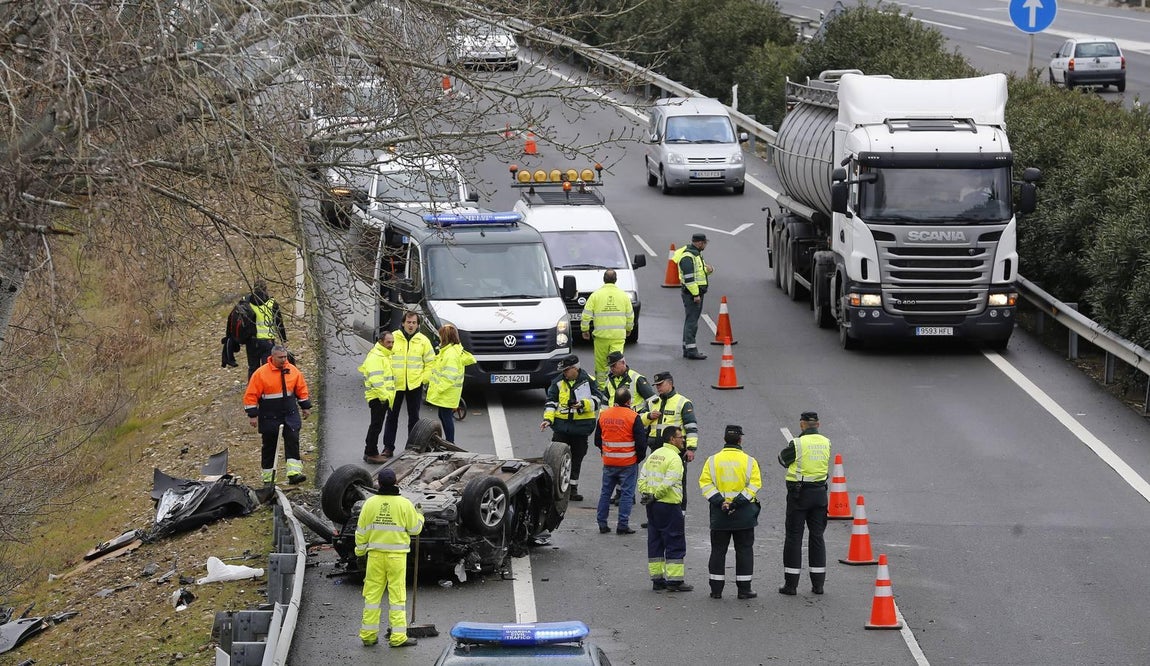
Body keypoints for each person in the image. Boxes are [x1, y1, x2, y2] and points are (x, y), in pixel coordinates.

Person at [355, 468, 424, 648]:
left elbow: (361, 532)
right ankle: (398, 637)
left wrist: (360, 553)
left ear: (379, 484)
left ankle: (368, 636)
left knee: (372, 596)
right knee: (397, 597)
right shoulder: (404, 504)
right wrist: (420, 516)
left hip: (375, 557)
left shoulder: (369, 504)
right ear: (395, 483)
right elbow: (415, 529)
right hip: (397, 558)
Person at [699, 425, 762, 600]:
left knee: (718, 550)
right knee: (744, 550)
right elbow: (754, 485)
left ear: (724, 439)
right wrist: (737, 503)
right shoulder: (750, 461)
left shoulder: (712, 461)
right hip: (743, 514)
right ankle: (744, 589)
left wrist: (722, 502)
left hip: (720, 514)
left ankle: (716, 590)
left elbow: (705, 484)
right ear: (740, 439)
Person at [778, 411, 831, 596]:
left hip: (799, 495)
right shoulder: (826, 442)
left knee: (794, 537)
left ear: (802, 424)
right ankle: (818, 585)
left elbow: (783, 459)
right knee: (817, 537)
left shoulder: (797, 443)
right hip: (820, 495)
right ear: (818, 424)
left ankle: (791, 585)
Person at [243, 344, 312, 485]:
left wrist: (305, 407)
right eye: (280, 357)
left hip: (290, 413)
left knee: (292, 440)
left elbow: (301, 390)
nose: (283, 360)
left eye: (285, 357)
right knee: (270, 446)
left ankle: (294, 473)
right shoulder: (260, 374)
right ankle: (269, 479)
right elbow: (251, 395)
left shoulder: (293, 371)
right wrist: (252, 415)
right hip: (269, 415)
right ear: (272, 357)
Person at [540, 354, 604, 502]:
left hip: (581, 430)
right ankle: (554, 488)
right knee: (556, 458)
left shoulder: (589, 381)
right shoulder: (558, 382)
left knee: (576, 459)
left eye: (566, 370)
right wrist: (547, 420)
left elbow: (598, 400)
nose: (564, 373)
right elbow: (551, 403)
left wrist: (583, 404)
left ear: (575, 369)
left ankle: (572, 489)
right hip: (561, 428)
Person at [638, 425, 692, 592]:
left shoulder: (654, 455)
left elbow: (642, 478)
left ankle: (657, 579)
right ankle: (675, 581)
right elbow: (669, 481)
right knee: (674, 540)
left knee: (655, 541)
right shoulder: (675, 458)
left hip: (652, 506)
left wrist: (647, 494)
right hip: (668, 505)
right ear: (671, 439)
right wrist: (657, 495)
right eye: (680, 437)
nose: (683, 439)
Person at [594, 387, 648, 535]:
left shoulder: (604, 415)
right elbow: (641, 443)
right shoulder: (633, 416)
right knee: (626, 494)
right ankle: (622, 525)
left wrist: (606, 452)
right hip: (628, 463)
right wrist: (638, 458)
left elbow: (597, 440)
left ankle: (602, 524)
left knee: (605, 493)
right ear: (628, 401)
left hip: (609, 461)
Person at [382, 311, 435, 457]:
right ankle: (388, 448)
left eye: (414, 323)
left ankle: (412, 448)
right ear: (403, 323)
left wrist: (423, 379)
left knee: (414, 418)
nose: (411, 325)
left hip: (414, 385)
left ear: (418, 325)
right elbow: (383, 357)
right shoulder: (393, 337)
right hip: (395, 385)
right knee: (392, 417)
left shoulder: (423, 340)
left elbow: (431, 362)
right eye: (408, 322)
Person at [580, 269, 634, 388]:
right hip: (618, 337)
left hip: (601, 337)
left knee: (601, 366)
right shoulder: (623, 295)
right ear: (616, 280)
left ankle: (601, 388)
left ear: (604, 279)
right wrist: (629, 328)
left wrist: (585, 329)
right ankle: (618, 387)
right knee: (617, 362)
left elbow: (586, 314)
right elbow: (630, 315)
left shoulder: (596, 295)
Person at [425, 323, 475, 443]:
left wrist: (439, 389)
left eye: (441, 336)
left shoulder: (450, 354)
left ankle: (450, 442)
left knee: (446, 417)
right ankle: (448, 441)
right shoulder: (450, 351)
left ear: (446, 337)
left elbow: (449, 376)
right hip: (448, 392)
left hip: (446, 392)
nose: (439, 338)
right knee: (443, 416)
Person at [672, 233, 714, 360]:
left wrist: (709, 270)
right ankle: (691, 350)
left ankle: (687, 347)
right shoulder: (688, 257)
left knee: (690, 320)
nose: (705, 245)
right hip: (692, 294)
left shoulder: (696, 254)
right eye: (705, 243)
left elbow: (699, 272)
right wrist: (696, 294)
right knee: (692, 322)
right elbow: (689, 279)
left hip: (696, 292)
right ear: (700, 243)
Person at [358, 331, 396, 464]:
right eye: (388, 342)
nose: (391, 345)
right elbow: (376, 381)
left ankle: (370, 451)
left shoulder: (383, 355)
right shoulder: (376, 357)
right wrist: (385, 396)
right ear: (381, 342)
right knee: (376, 426)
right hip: (378, 398)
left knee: (376, 425)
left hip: (380, 397)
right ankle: (371, 453)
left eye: (392, 342)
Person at [245, 280, 288, 378]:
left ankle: (253, 390)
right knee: (267, 367)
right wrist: (283, 339)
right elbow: (279, 322)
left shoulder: (247, 303)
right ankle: (267, 390)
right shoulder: (272, 303)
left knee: (253, 368)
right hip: (267, 341)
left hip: (251, 341)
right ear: (265, 289)